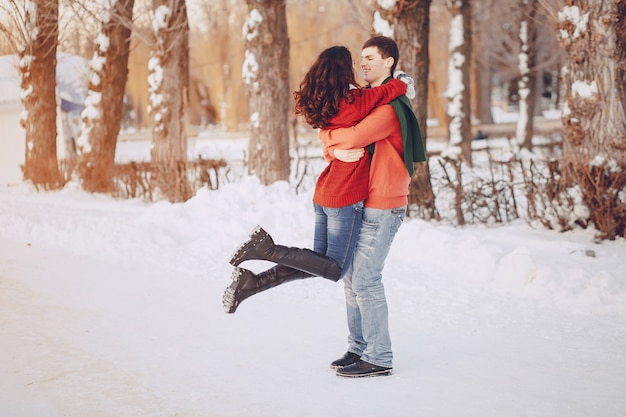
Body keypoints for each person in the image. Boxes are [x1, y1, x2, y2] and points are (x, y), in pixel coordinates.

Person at [222, 45, 410, 314]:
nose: (359, 67)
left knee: (316, 262)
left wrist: (331, 145)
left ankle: (253, 283)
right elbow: (379, 97)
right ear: (343, 71)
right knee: (333, 269)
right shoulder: (353, 103)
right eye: (356, 63)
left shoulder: (328, 106)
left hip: (326, 192)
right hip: (344, 196)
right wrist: (402, 85)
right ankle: (266, 249)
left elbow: (337, 129)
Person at [319, 35, 426, 378]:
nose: (362, 64)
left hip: (384, 204)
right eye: (361, 58)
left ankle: (379, 357)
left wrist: (331, 142)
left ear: (388, 62)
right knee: (351, 278)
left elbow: (349, 136)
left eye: (369, 57)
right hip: (365, 200)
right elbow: (335, 130)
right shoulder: (369, 102)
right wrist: (331, 146)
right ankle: (358, 348)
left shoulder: (389, 108)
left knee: (366, 279)